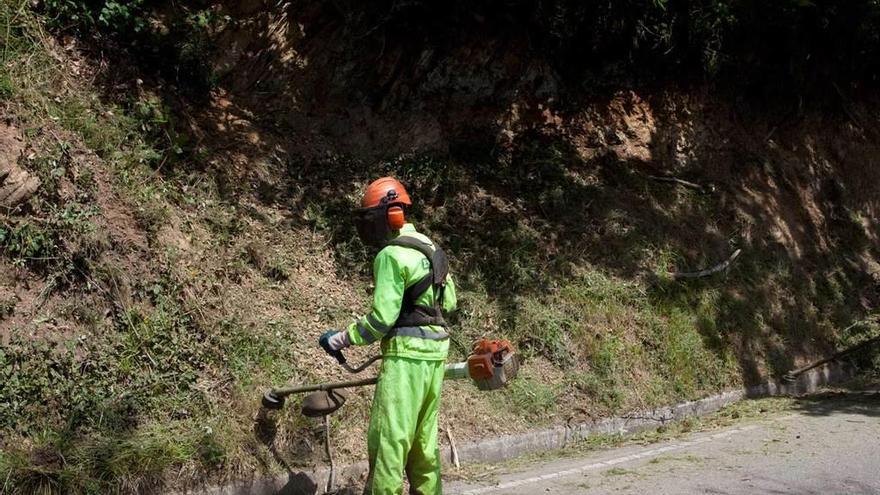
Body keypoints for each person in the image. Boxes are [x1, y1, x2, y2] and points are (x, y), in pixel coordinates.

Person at [319, 177, 457, 495]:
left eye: (371, 219)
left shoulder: (391, 256)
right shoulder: (433, 249)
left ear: (388, 217)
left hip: (406, 357)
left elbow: (381, 319)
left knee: (389, 441)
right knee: (423, 443)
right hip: (436, 353)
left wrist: (340, 339)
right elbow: (449, 302)